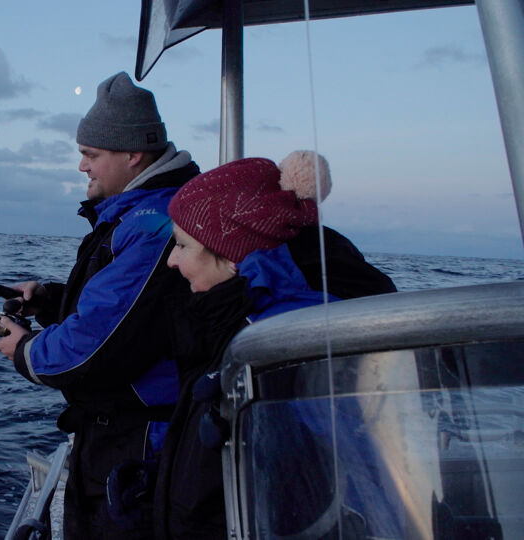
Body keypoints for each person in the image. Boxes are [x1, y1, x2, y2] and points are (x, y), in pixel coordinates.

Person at [0, 71, 200, 539]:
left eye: (91, 155)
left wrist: (23, 350)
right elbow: (132, 311)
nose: (83, 167)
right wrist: (51, 300)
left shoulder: (153, 225)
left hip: (139, 446)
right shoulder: (141, 214)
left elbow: (88, 352)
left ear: (132, 155)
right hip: (119, 436)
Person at [150, 151, 397, 539]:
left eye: (182, 245)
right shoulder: (238, 319)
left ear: (232, 257)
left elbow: (341, 481)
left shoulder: (285, 345)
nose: (171, 261)